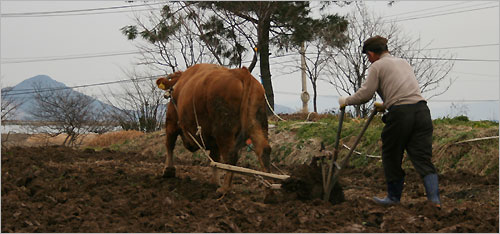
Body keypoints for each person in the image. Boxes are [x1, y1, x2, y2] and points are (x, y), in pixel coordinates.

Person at [338, 35, 441, 207]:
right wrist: (386, 103)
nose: (369, 60)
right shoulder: (403, 63)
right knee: (423, 158)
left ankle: (393, 198)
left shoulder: (377, 66)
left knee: (391, 154)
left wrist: (346, 101)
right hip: (422, 111)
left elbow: (366, 94)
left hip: (401, 114)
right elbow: (404, 90)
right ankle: (435, 200)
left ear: (371, 54)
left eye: (367, 56)